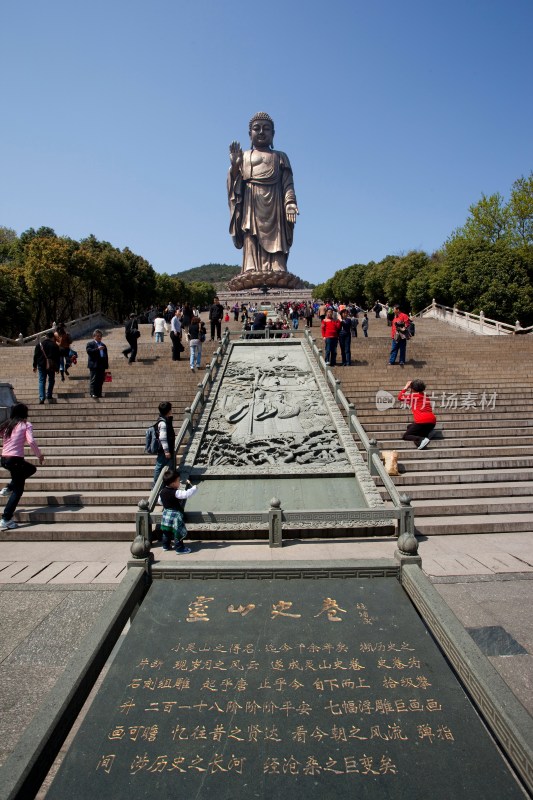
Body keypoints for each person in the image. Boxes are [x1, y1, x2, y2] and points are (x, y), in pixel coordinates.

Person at [228, 112, 298, 277]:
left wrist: (290, 203)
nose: (261, 132)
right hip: (251, 203)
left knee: (277, 236)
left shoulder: (280, 157)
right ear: (249, 134)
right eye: (256, 128)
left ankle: (277, 267)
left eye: (266, 129)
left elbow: (288, 184)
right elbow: (234, 184)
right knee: (250, 234)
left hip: (275, 204)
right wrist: (236, 167)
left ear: (273, 134)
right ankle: (250, 268)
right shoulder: (244, 156)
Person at [0, 403, 44, 530]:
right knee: (18, 490)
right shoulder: (26, 425)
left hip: (4, 459)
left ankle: (8, 488)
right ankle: (6, 518)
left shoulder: (8, 425)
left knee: (31, 469)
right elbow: (31, 441)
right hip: (16, 459)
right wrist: (39, 455)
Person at [159, 469, 198, 554]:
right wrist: (194, 489)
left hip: (166, 514)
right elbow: (186, 494)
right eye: (178, 481)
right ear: (173, 483)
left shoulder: (162, 491)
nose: (179, 482)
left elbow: (160, 501)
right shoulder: (175, 492)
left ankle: (165, 546)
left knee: (166, 531)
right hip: (175, 515)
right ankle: (179, 548)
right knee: (177, 532)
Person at [397, 379, 436, 450]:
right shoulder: (425, 396)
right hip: (432, 422)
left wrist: (406, 387)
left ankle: (422, 439)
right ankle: (427, 435)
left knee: (406, 436)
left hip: (422, 421)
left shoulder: (413, 397)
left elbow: (400, 397)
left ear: (413, 389)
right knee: (410, 427)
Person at [33, 331, 60, 404]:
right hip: (51, 366)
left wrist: (34, 366)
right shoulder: (55, 345)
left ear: (46, 337)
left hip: (41, 365)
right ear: (52, 337)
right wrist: (57, 367)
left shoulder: (39, 345)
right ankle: (49, 395)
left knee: (42, 380)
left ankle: (42, 397)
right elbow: (58, 357)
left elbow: (35, 356)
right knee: (51, 380)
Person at [152, 401, 176, 486]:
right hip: (164, 450)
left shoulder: (164, 420)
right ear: (168, 410)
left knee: (167, 465)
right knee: (159, 466)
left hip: (166, 449)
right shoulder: (162, 423)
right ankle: (155, 485)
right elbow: (162, 437)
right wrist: (166, 451)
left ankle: (168, 483)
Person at [86, 329, 109, 399]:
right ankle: (92, 393)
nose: (99, 337)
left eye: (100, 336)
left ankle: (99, 393)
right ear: (94, 336)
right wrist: (97, 349)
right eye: (98, 336)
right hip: (94, 364)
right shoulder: (90, 344)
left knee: (101, 379)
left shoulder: (103, 345)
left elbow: (106, 355)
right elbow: (89, 351)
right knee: (94, 379)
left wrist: (106, 364)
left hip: (102, 364)